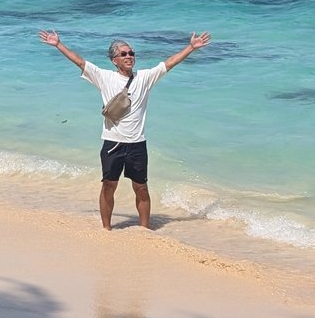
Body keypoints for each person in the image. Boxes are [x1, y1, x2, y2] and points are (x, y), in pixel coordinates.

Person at [38, 28, 211, 231]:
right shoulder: (104, 77)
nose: (129, 56)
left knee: (141, 187)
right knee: (108, 186)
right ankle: (106, 229)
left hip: (137, 144)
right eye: (124, 54)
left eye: (131, 53)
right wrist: (58, 45)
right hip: (113, 143)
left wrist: (190, 47)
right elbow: (80, 62)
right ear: (114, 60)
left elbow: (169, 63)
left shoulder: (145, 78)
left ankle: (145, 230)